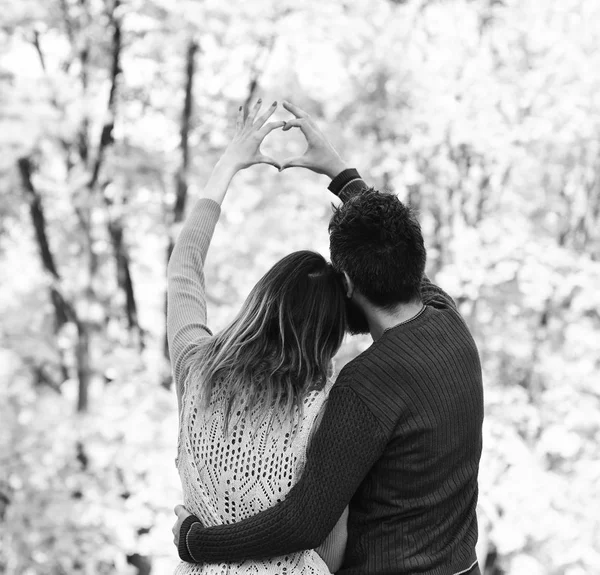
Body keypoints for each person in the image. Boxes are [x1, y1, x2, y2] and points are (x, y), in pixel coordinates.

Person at [173, 101, 484, 575]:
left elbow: (303, 523)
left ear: (351, 285)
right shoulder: (448, 321)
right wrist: (341, 173)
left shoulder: (362, 387)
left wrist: (196, 543)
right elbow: (390, 246)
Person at [167, 100, 350, 574]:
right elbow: (335, 546)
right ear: (330, 333)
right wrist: (346, 179)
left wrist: (227, 166)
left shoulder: (195, 370)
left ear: (261, 299)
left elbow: (184, 267)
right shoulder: (328, 408)